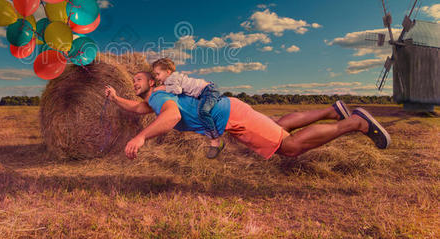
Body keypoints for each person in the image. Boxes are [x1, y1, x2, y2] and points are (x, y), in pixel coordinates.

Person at [105, 72, 390, 160]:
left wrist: (141, 136)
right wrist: (116, 98)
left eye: (139, 78)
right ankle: (332, 111)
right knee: (277, 126)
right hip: (230, 110)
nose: (134, 81)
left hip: (228, 115)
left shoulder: (159, 96)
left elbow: (169, 117)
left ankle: (355, 122)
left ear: (151, 84)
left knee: (287, 147)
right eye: (133, 80)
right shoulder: (152, 100)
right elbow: (137, 108)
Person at [151, 58, 224, 159]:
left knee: (203, 112)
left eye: (158, 74)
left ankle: (215, 141)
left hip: (208, 90)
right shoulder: (171, 79)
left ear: (168, 72)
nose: (156, 77)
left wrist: (162, 88)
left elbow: (177, 90)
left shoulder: (171, 78)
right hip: (205, 91)